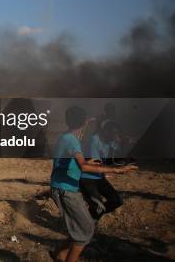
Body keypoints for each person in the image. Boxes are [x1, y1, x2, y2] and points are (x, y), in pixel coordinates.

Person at [50, 106, 138, 262]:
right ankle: (65, 256)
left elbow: (67, 161)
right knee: (86, 231)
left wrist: (88, 120)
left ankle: (61, 255)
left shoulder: (66, 137)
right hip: (66, 190)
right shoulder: (73, 141)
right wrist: (117, 170)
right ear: (83, 123)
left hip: (63, 187)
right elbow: (83, 166)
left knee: (82, 228)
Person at [79, 120, 124, 220]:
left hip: (99, 177)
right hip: (87, 179)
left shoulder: (110, 140)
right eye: (114, 134)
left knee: (117, 200)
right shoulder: (94, 140)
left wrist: (122, 143)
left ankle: (89, 217)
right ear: (106, 132)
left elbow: (118, 156)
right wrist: (115, 169)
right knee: (99, 208)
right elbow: (96, 164)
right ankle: (87, 221)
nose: (115, 136)